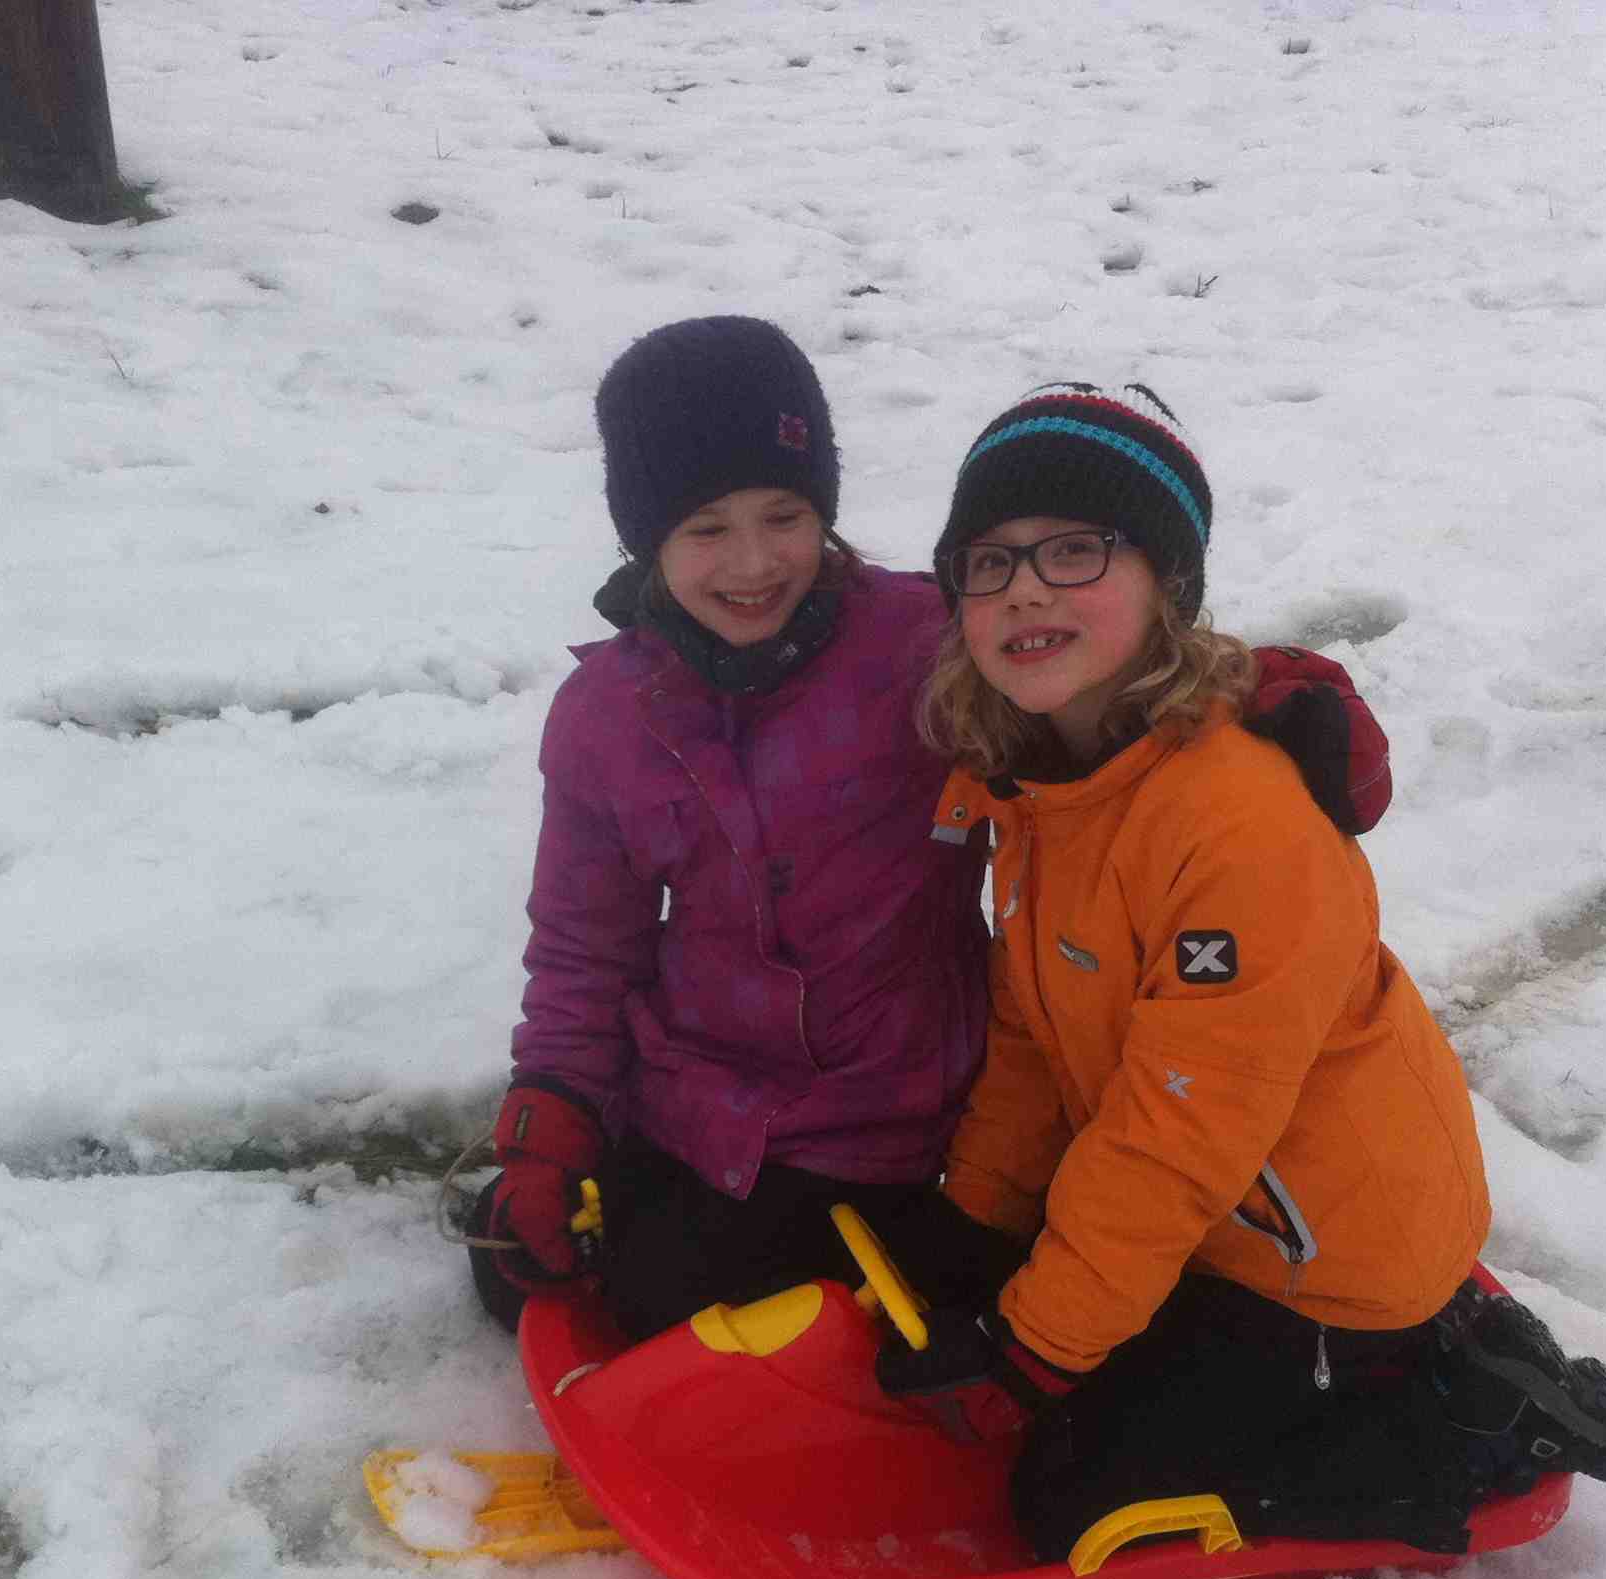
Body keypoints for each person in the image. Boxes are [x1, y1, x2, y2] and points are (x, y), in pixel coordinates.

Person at [473, 321, 1394, 1346]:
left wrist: (1268, 691)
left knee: (739, 1329)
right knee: (534, 1280)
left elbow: (1098, 659)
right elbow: (581, 947)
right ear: (645, 539)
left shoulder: (923, 646)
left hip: (893, 1120)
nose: (751, 563)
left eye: (785, 516)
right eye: (703, 530)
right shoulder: (606, 714)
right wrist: (547, 1122)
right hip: (694, 1101)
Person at [875, 379, 1606, 1562]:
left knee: (1069, 1502)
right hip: (1217, 1225)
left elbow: (1178, 1128)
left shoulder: (1236, 824)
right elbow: (1040, 1038)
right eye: (989, 561)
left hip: (1330, 1264)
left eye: (1076, 550)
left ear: (1169, 589)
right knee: (997, 1369)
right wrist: (976, 1226)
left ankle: (1463, 1413)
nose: (1025, 586)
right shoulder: (1043, 785)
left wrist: (1035, 1343)